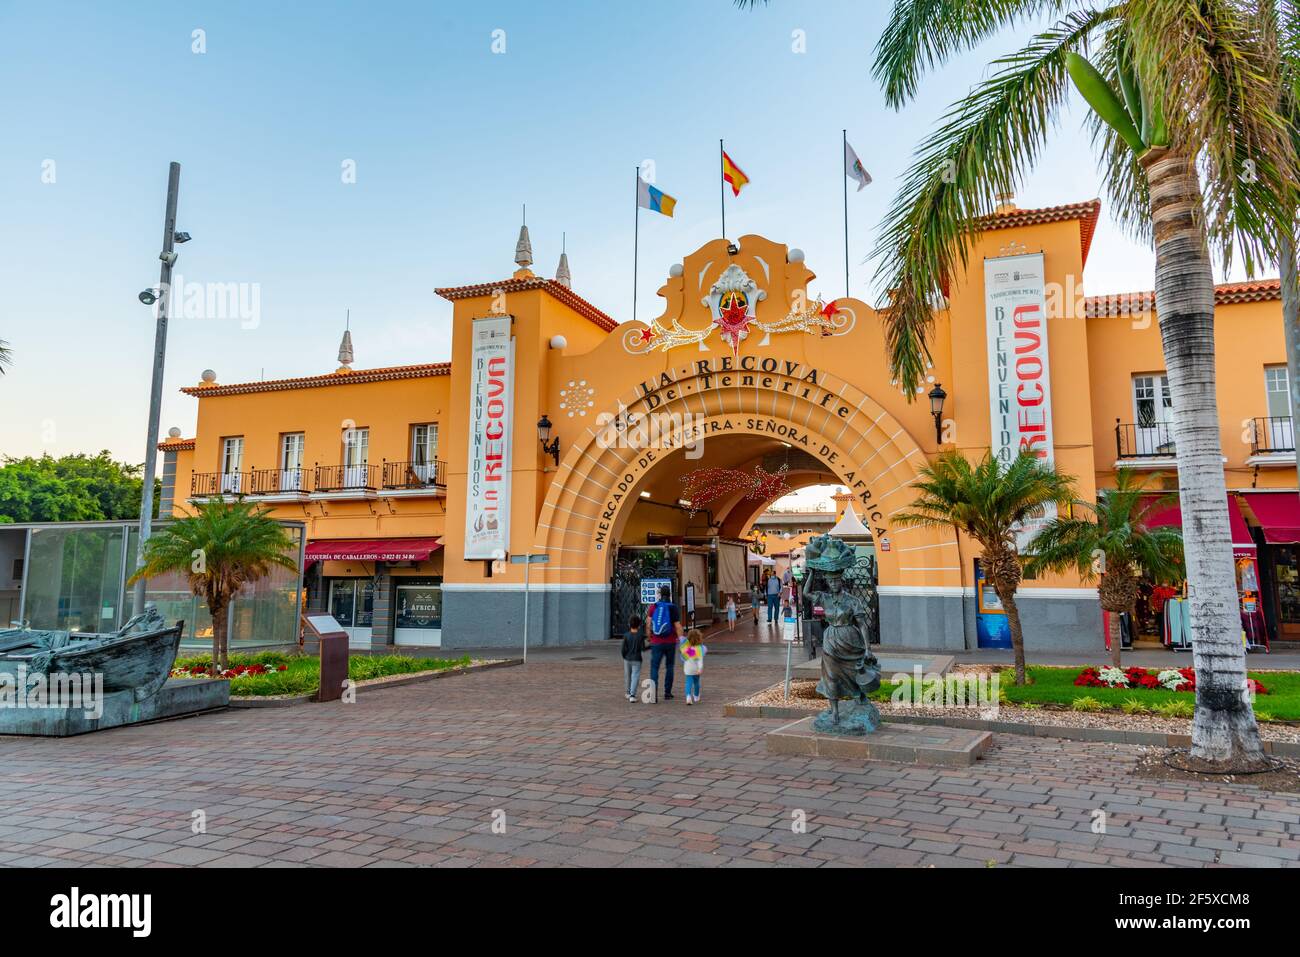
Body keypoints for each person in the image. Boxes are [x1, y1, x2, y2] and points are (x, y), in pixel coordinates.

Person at [645, 584, 683, 700]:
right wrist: (682, 641)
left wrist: (649, 637)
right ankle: (667, 692)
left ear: (660, 594)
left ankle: (653, 694)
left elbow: (648, 624)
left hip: (656, 642)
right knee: (669, 666)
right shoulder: (673, 608)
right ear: (670, 594)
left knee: (654, 667)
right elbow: (678, 626)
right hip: (670, 642)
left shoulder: (654, 607)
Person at [620, 614, 646, 702]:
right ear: (639, 625)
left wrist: (624, 657)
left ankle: (627, 692)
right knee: (635, 676)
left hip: (627, 658)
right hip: (637, 659)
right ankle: (632, 695)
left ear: (629, 624)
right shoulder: (641, 635)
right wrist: (651, 646)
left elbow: (623, 649)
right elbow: (643, 648)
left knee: (627, 676)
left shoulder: (626, 635)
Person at [680, 627, 708, 705]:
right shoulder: (699, 649)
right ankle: (696, 696)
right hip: (696, 669)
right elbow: (699, 660)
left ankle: (688, 696)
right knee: (696, 682)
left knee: (688, 682)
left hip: (688, 668)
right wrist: (700, 668)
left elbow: (683, 657)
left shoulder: (687, 648)